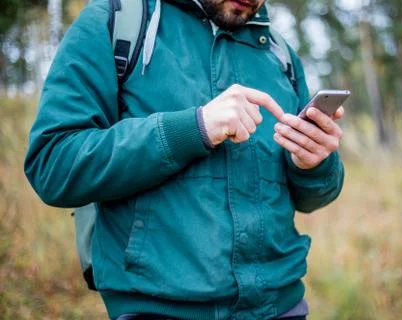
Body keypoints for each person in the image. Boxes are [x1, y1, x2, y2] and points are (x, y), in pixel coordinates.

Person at [24, 0, 345, 319]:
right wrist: (195, 128)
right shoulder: (116, 21)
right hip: (157, 309)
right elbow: (52, 163)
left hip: (282, 307)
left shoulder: (279, 54)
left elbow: (315, 195)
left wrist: (313, 164)